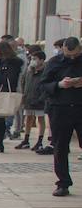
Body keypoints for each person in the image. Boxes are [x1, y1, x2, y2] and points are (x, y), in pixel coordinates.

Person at [38, 36, 82, 196]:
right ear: (63, 49)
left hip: (80, 107)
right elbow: (43, 84)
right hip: (60, 109)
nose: (72, 57)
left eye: (75, 54)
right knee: (60, 147)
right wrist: (59, 84)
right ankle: (63, 183)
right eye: (69, 54)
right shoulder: (54, 62)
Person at [17, 47, 48, 150]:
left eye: (35, 59)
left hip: (39, 99)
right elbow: (23, 81)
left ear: (42, 60)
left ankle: (40, 140)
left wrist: (42, 97)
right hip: (28, 98)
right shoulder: (29, 70)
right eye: (32, 58)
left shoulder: (46, 71)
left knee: (40, 119)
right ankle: (26, 139)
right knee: (28, 118)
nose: (32, 61)